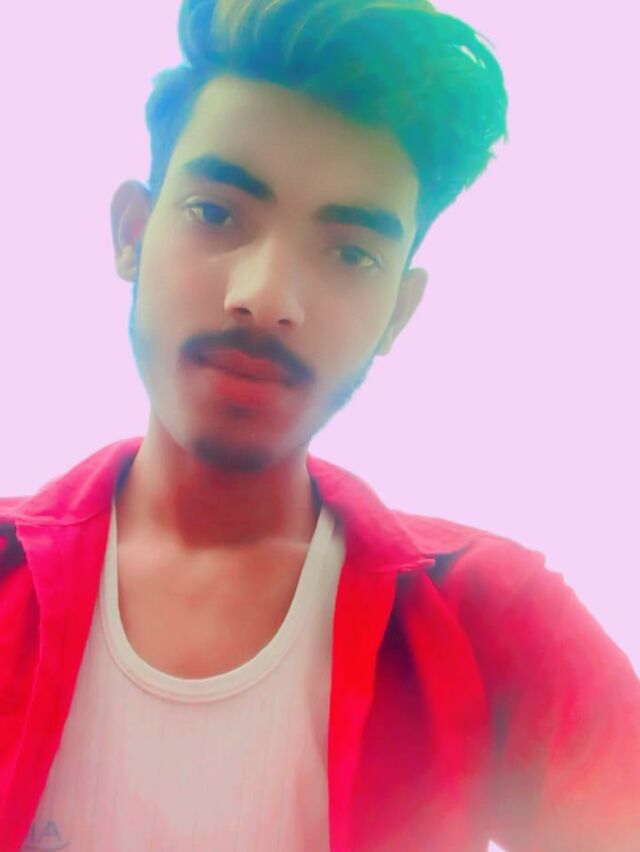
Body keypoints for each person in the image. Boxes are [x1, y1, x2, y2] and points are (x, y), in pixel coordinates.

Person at [0, 0, 638, 849]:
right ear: (131, 234)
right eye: (216, 213)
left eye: (349, 253)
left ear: (397, 313)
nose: (266, 297)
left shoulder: (493, 619)